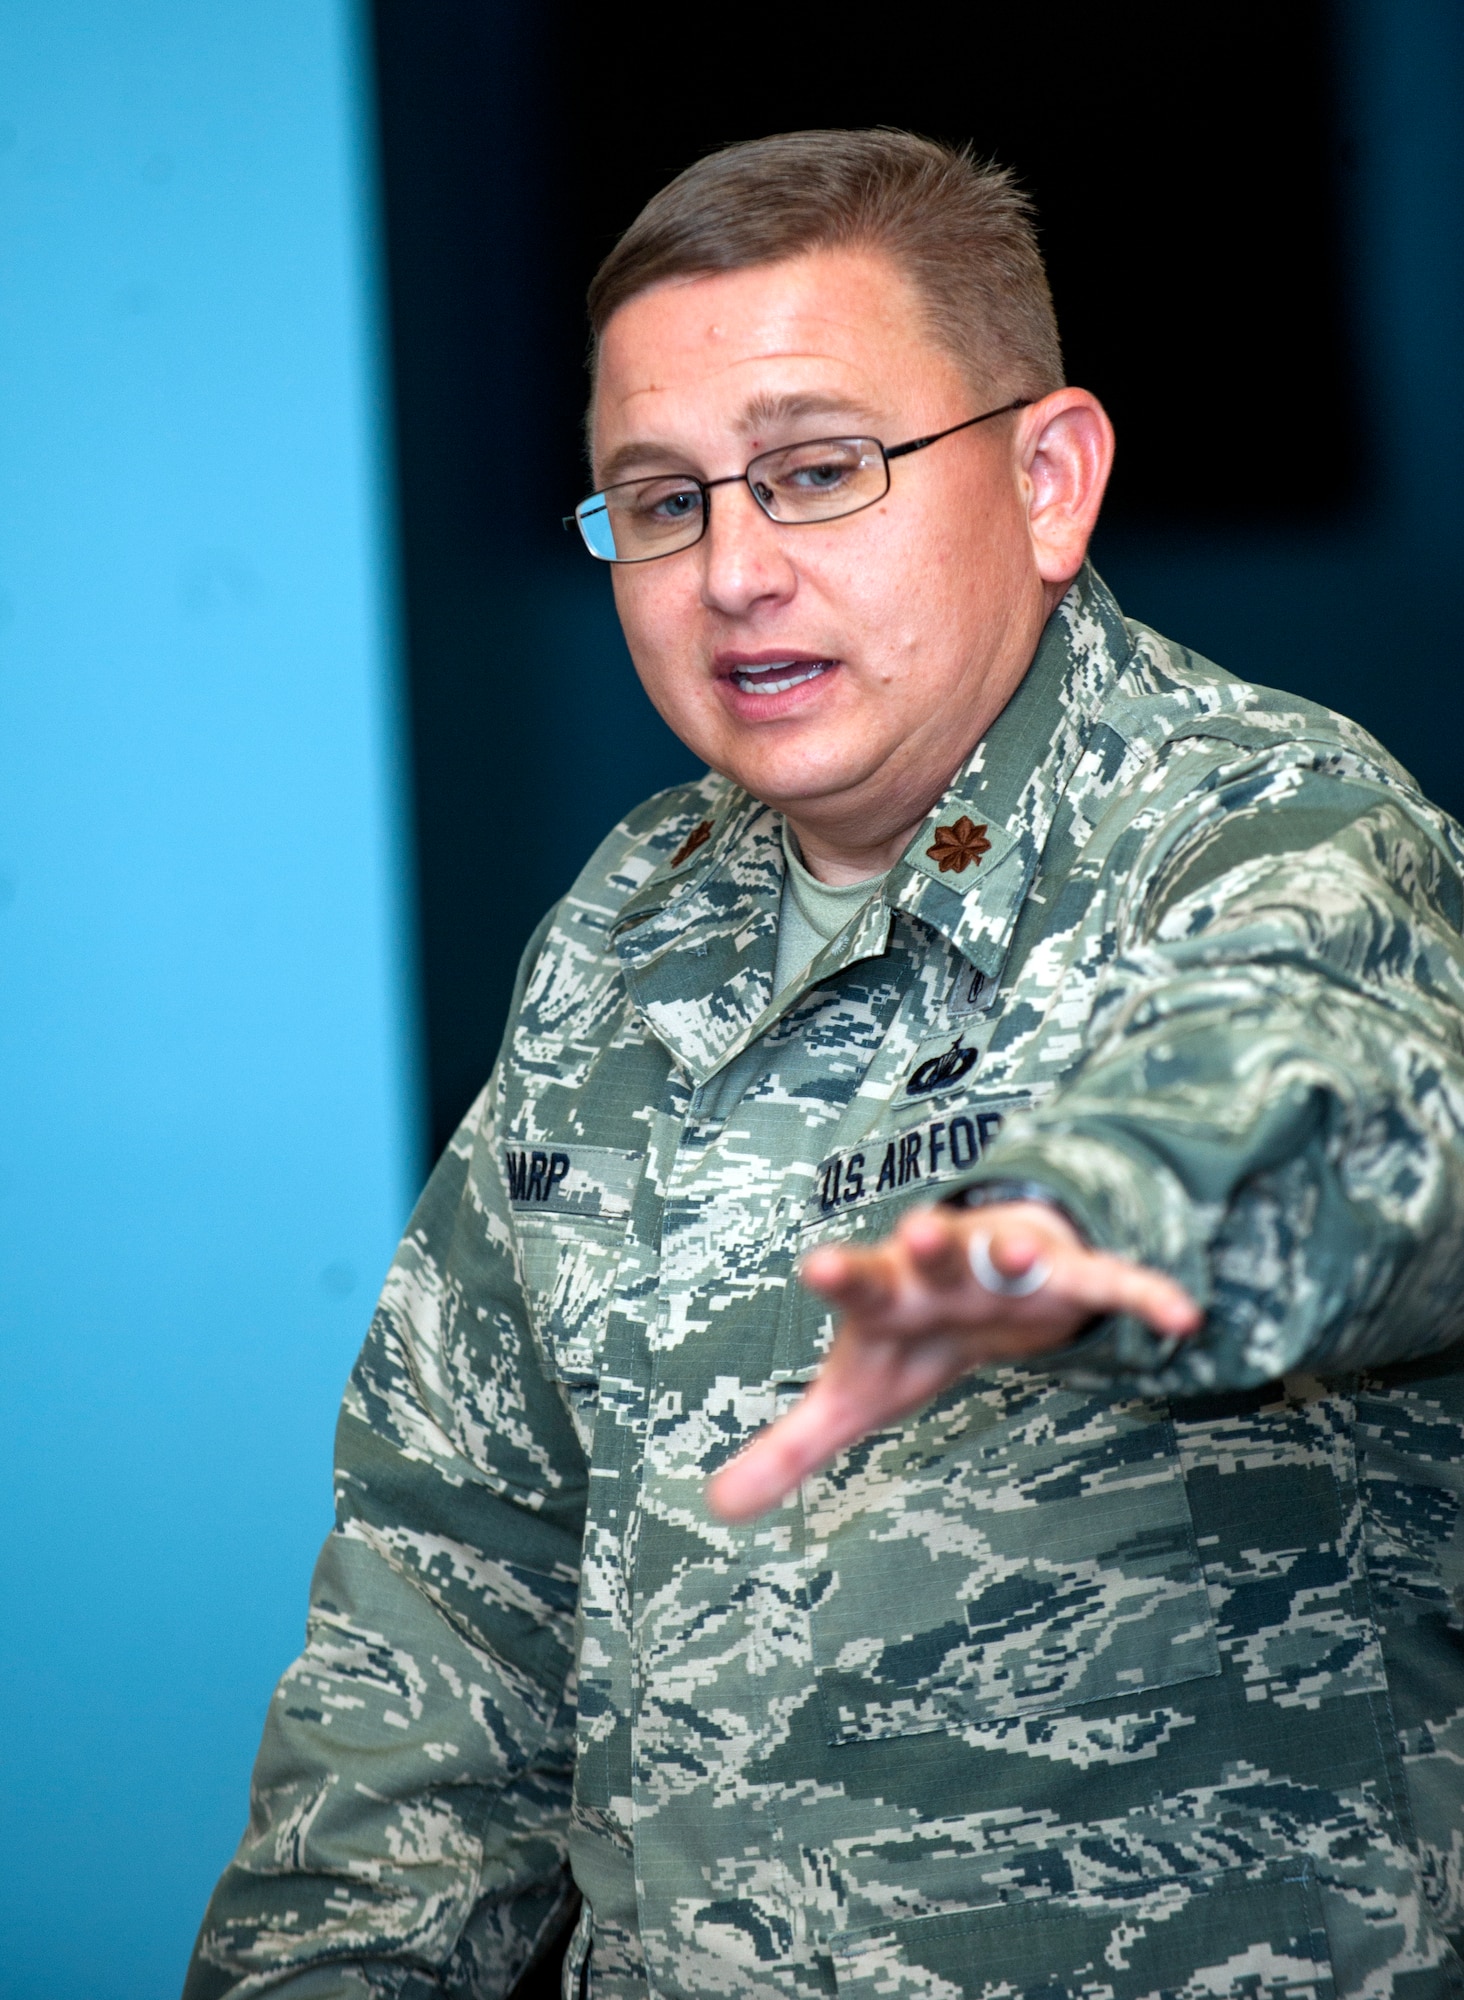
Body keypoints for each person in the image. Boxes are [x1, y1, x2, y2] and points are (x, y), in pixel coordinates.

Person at [185, 130, 1464, 2000]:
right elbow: (455, 1568)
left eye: (815, 472)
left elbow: (1337, 1097)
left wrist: (1081, 1215)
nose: (735, 572)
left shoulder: (1272, 827)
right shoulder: (629, 922)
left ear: (1049, 478)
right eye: (664, 500)